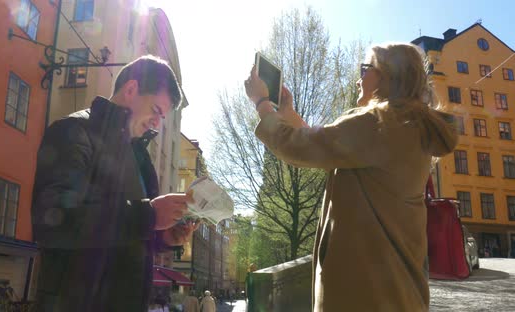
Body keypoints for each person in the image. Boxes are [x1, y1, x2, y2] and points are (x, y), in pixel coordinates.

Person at [244, 43, 458, 311]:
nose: (358, 79)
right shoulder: (405, 125)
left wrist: (262, 103)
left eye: (365, 69)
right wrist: (286, 112)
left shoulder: (379, 122)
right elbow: (327, 147)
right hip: (395, 290)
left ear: (387, 75)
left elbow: (299, 146)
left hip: (365, 294)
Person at [32, 55, 199, 312]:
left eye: (162, 117)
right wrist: (149, 215)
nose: (157, 123)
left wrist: (163, 236)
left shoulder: (138, 156)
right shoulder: (73, 131)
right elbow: (53, 221)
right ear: (131, 90)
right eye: (156, 110)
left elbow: (124, 235)